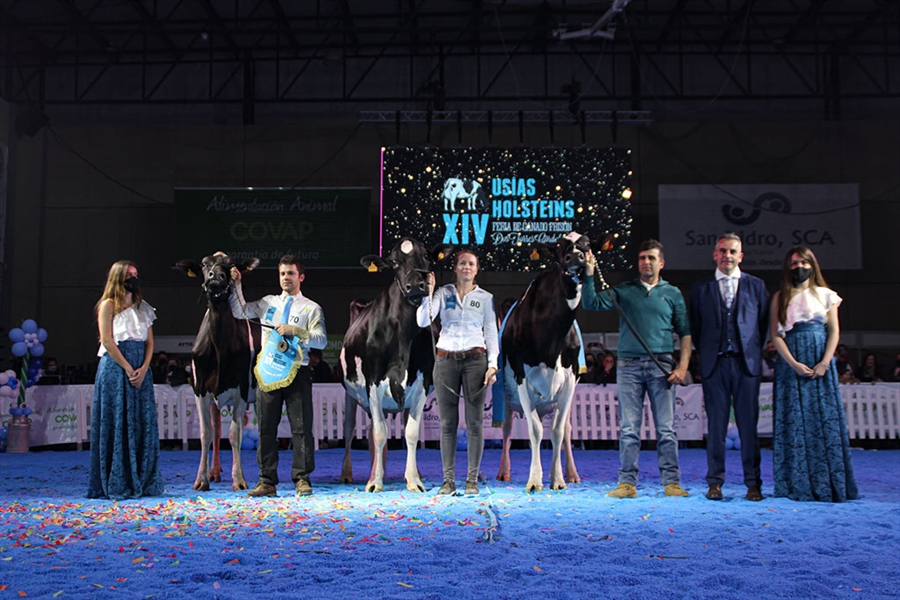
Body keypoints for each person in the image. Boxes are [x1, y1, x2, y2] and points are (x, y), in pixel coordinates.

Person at [582, 239, 692, 498]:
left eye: (651, 258)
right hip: (629, 366)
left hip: (661, 366)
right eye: (642, 257)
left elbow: (685, 333)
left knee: (666, 428)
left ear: (661, 263)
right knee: (629, 428)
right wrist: (589, 274)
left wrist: (684, 367)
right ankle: (627, 483)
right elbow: (592, 303)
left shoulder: (673, 293)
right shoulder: (625, 290)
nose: (646, 262)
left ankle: (671, 483)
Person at [230, 255, 327, 497]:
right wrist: (237, 285)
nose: (286, 277)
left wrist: (297, 331)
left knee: (302, 429)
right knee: (265, 428)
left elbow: (322, 340)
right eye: (283, 273)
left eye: (291, 273)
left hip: (298, 372)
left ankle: (302, 479)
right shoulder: (266, 303)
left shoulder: (311, 308)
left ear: (300, 277)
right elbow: (240, 311)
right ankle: (267, 481)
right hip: (268, 372)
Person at [770, 245, 858, 502]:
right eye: (794, 263)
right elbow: (775, 335)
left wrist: (825, 362)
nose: (799, 267)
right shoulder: (780, 297)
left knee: (824, 420)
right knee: (794, 421)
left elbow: (834, 332)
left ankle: (830, 483)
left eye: (803, 263)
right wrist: (793, 364)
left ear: (813, 265)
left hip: (821, 362)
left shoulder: (826, 295)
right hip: (791, 364)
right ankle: (796, 484)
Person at [690, 233, 770, 502]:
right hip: (715, 365)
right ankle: (715, 482)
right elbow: (697, 328)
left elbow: (762, 326)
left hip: (746, 365)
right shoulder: (701, 288)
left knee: (749, 427)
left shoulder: (757, 286)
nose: (727, 255)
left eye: (732, 251)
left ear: (740, 256)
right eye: (722, 251)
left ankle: (753, 484)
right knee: (716, 428)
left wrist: (749, 351)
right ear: (715, 254)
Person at [417, 248, 499, 495]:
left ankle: (471, 480)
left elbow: (490, 332)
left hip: (476, 360)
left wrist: (492, 364)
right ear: (455, 267)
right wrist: (427, 293)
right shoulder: (443, 293)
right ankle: (448, 481)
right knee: (447, 423)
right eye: (462, 263)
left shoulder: (485, 297)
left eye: (471, 264)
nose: (466, 267)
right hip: (445, 359)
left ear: (477, 269)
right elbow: (423, 320)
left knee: (475, 423)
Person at [87, 260, 164, 500]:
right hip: (116, 367)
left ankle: (142, 477)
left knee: (141, 420)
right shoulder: (108, 305)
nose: (134, 278)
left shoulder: (144, 308)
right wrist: (129, 368)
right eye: (130, 275)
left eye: (136, 274)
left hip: (141, 368)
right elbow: (107, 341)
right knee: (118, 419)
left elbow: (150, 343)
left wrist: (143, 368)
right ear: (118, 277)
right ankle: (117, 478)